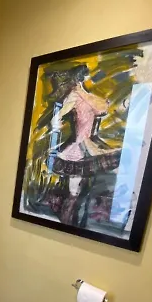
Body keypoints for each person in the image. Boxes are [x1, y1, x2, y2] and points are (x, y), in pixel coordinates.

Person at [48, 64, 121, 225]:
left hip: (89, 142)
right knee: (74, 189)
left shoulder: (86, 96)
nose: (90, 79)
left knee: (81, 187)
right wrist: (57, 123)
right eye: (87, 76)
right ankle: (68, 221)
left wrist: (82, 93)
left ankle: (74, 221)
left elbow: (102, 108)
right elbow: (57, 117)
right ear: (82, 78)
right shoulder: (74, 96)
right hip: (79, 145)